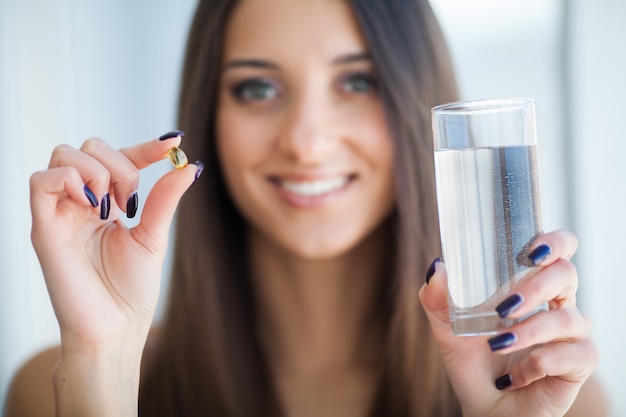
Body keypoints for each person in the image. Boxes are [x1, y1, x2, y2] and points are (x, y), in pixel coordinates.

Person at [5, 0, 607, 416]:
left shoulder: (554, 398)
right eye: (257, 89)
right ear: (209, 118)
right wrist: (101, 363)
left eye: (358, 82)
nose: (306, 139)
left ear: (415, 97)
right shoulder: (55, 389)